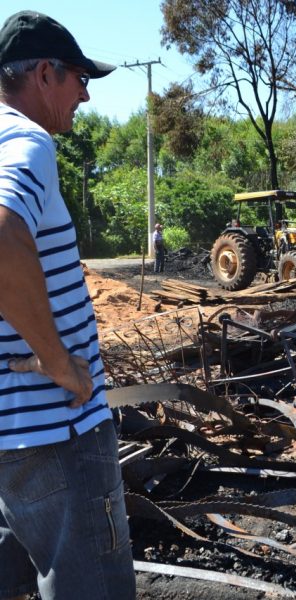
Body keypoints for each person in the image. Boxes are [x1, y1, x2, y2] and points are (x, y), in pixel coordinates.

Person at [0, 11, 135, 600]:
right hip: (58, 431)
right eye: (80, 77)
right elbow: (2, 235)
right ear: (45, 73)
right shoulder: (27, 140)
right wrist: (57, 361)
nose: (84, 92)